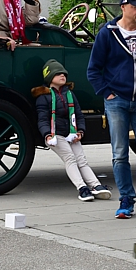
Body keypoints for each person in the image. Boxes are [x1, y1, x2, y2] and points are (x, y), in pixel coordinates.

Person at [87, 0, 136, 219]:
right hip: (117, 100)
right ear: (123, 7)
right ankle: (126, 200)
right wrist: (106, 93)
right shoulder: (107, 33)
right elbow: (93, 69)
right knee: (119, 153)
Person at [33, 59, 111, 202]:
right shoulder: (43, 97)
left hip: (71, 133)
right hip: (54, 134)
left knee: (81, 159)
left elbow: (78, 114)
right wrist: (47, 135)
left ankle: (96, 185)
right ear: (50, 77)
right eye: (58, 74)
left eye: (64, 74)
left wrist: (80, 131)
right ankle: (82, 188)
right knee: (69, 158)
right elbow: (42, 119)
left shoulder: (69, 94)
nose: (63, 76)